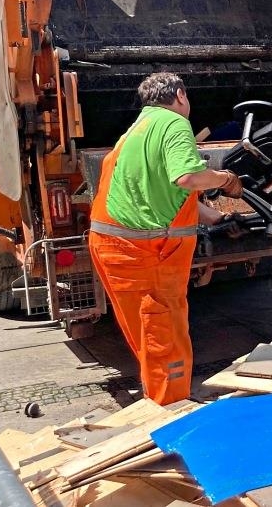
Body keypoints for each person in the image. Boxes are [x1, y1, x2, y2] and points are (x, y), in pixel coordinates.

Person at [89, 72, 243, 405]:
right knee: (164, 340)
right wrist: (226, 179)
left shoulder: (138, 129)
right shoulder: (174, 124)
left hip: (120, 247)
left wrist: (216, 217)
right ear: (180, 95)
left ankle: (162, 402)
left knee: (151, 337)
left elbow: (164, 191)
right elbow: (187, 177)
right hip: (142, 253)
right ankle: (170, 415)